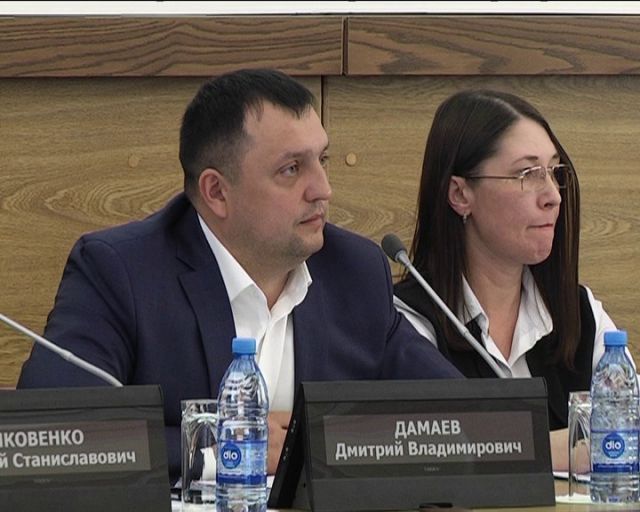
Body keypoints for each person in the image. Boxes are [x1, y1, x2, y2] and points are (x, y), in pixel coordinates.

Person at [17, 69, 461, 482]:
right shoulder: (123, 272)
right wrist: (231, 446)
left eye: (322, 159)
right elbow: (55, 437)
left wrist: (327, 443)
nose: (323, 189)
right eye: (292, 169)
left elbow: (459, 418)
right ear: (217, 192)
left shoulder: (353, 271)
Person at [393, 89, 627, 471]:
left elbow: (628, 429)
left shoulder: (581, 313)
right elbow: (440, 452)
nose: (552, 196)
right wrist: (572, 447)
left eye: (554, 172)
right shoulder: (408, 322)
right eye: (527, 174)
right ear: (460, 194)